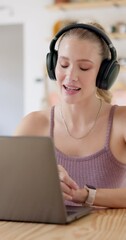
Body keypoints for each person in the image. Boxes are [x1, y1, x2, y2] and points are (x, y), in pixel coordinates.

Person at [14, 22, 126, 208]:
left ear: (104, 74)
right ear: (52, 65)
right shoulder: (33, 124)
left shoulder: (120, 122)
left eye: (84, 68)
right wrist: (38, 180)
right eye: (64, 64)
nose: (70, 75)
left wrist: (85, 195)